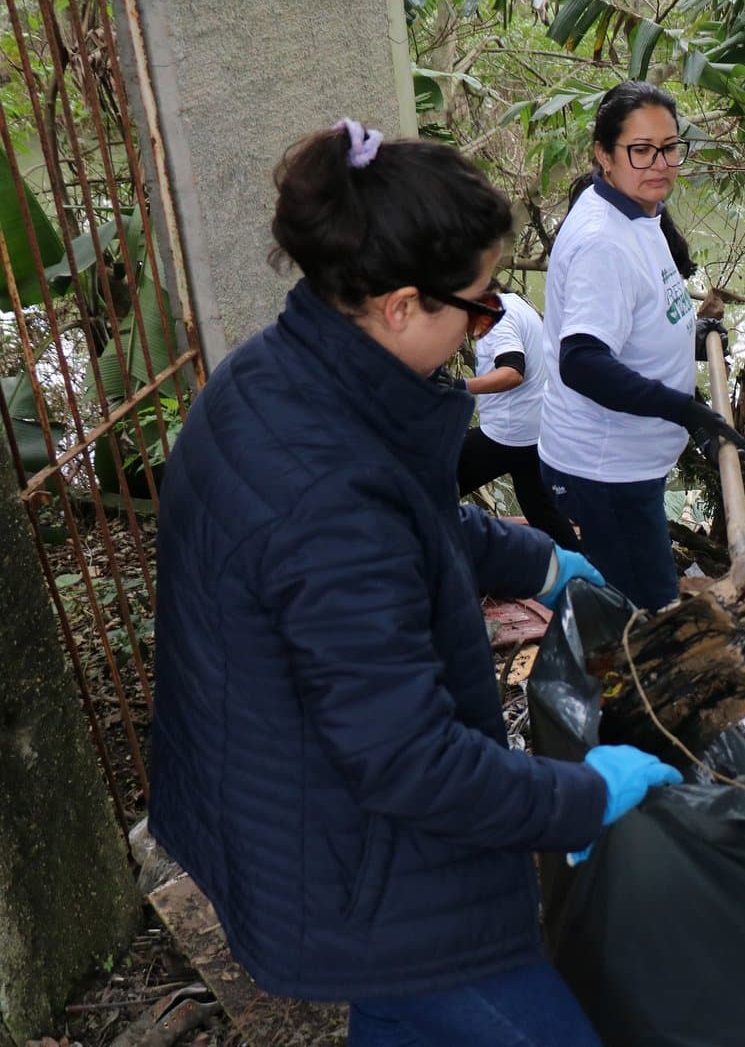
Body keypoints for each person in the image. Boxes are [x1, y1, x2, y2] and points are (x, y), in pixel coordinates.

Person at [149, 119, 682, 1046]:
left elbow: (405, 512)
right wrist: (580, 797)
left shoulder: (282, 377)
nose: (488, 326)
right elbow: (409, 761)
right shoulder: (323, 492)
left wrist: (538, 560)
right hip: (353, 864)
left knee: (402, 1020)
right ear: (399, 305)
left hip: (286, 789)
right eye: (477, 309)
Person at [538, 80, 745, 610]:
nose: (660, 163)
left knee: (626, 607)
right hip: (605, 474)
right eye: (641, 150)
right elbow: (582, 362)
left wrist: (691, 337)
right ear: (604, 155)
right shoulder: (601, 241)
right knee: (647, 617)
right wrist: (686, 410)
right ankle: (627, 692)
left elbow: (640, 310)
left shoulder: (639, 209)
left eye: (671, 147)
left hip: (631, 465)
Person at [455, 286, 582, 551]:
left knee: (436, 479)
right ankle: (593, 577)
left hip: (509, 433)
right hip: (537, 430)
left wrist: (459, 386)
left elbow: (513, 372)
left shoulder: (496, 321)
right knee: (543, 512)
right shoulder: (516, 304)